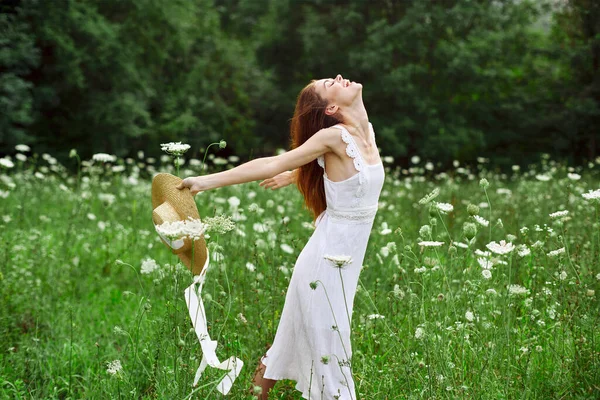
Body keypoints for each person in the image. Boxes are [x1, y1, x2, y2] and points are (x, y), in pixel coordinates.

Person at [176, 74, 385, 400]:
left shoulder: (366, 132)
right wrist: (205, 182)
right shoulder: (334, 137)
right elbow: (272, 162)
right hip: (324, 267)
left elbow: (336, 172)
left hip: (344, 266)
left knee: (288, 343)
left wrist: (296, 174)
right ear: (331, 107)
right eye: (331, 83)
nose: (340, 77)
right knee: (333, 351)